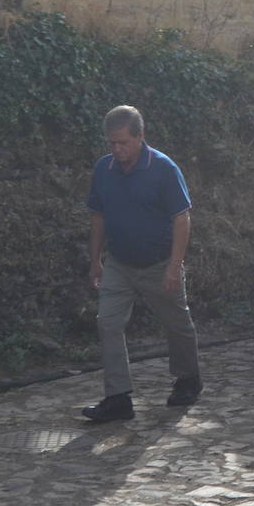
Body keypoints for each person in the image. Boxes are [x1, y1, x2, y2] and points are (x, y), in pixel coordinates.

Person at [82, 105, 201, 422]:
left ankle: (188, 379)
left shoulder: (163, 168)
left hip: (159, 261)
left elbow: (181, 218)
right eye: (112, 143)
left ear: (140, 137)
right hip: (119, 262)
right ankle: (118, 397)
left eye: (124, 142)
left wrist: (174, 266)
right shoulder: (103, 169)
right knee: (107, 322)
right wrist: (95, 260)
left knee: (176, 323)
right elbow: (97, 217)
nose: (117, 149)